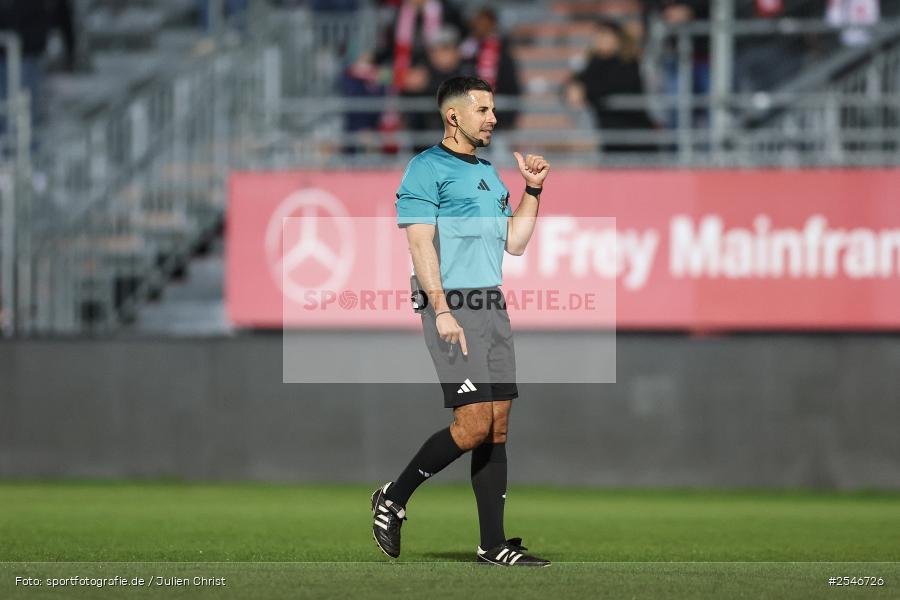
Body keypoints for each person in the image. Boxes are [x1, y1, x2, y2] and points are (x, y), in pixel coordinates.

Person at [371, 75, 550, 567]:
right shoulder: (426, 168)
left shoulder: (490, 173)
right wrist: (442, 309)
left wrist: (533, 190)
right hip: (452, 305)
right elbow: (419, 244)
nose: (493, 119)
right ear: (454, 116)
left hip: (491, 303)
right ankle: (393, 498)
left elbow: (515, 243)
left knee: (497, 425)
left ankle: (493, 545)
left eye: (492, 110)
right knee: (472, 425)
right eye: (483, 110)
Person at [565, 18, 658, 154]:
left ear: (618, 39)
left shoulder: (629, 62)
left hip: (635, 136)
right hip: (609, 136)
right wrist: (573, 87)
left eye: (605, 35)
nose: (600, 39)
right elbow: (575, 81)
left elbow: (615, 86)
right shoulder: (593, 63)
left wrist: (583, 90)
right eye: (598, 35)